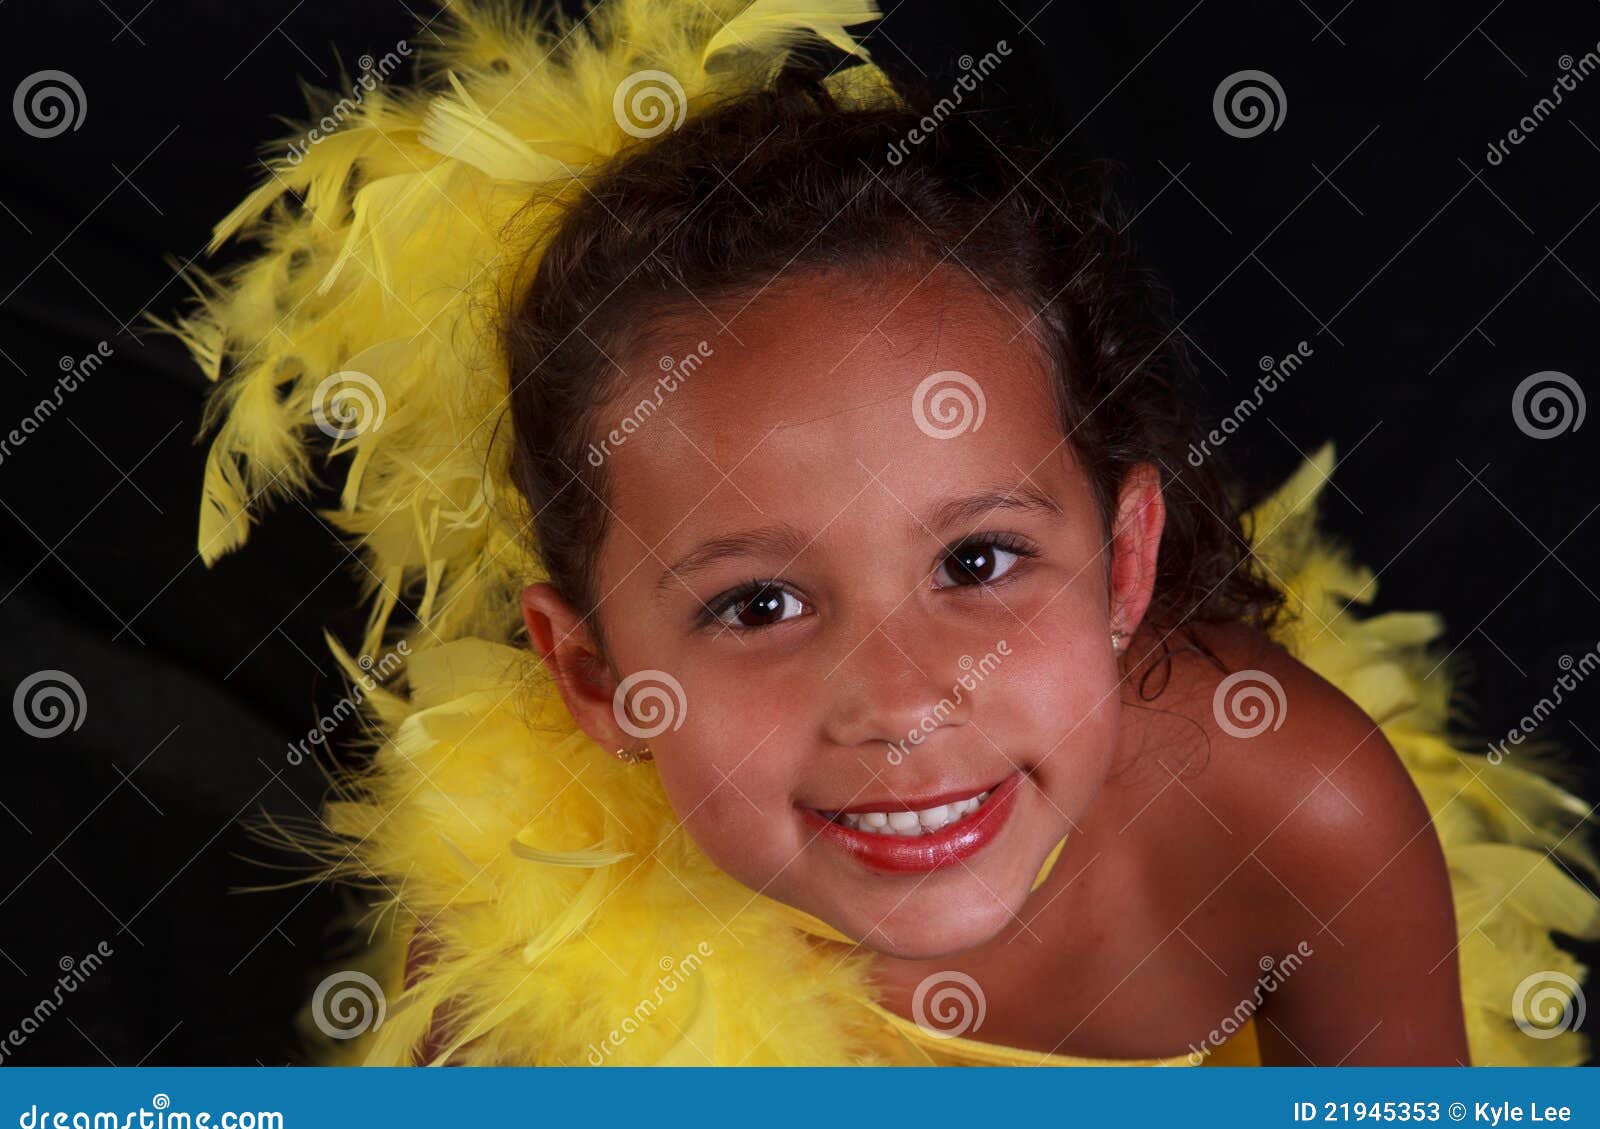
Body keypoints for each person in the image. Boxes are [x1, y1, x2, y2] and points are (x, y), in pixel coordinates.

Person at [166, 0, 1599, 1066]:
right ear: (596, 675)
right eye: (758, 604)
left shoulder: (1295, 818)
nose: (905, 702)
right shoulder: (500, 969)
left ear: (1126, 562)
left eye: (976, 562)